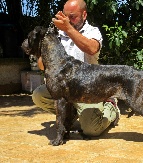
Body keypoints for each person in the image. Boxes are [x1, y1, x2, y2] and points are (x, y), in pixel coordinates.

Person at [32, 0, 120, 137]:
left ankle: (111, 108)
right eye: (66, 17)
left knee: (92, 129)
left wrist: (68, 28)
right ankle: (70, 114)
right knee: (39, 95)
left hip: (88, 88)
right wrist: (48, 40)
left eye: (73, 17)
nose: (68, 20)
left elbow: (91, 49)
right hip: (65, 88)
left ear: (84, 15)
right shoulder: (57, 34)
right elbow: (42, 66)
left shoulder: (93, 31)